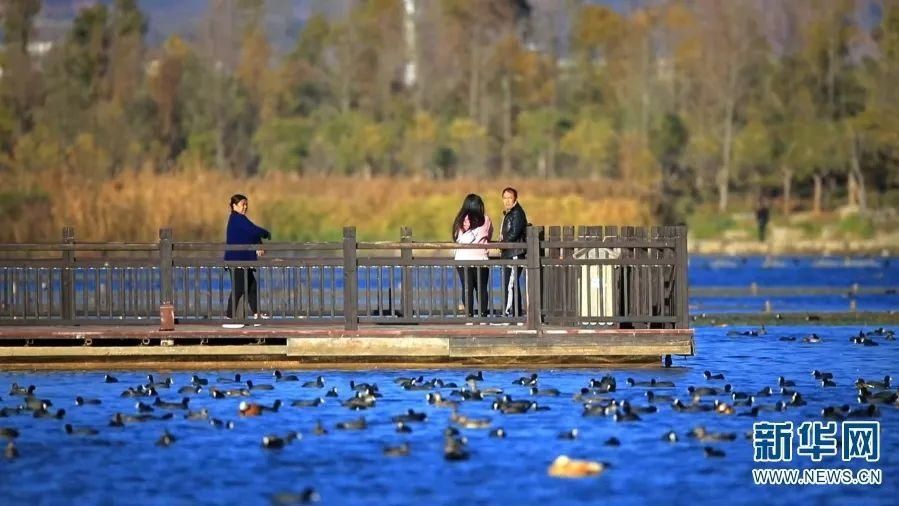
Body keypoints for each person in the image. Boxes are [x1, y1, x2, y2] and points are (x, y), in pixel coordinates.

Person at [224, 194, 271, 322]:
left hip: (244, 260)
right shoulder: (237, 218)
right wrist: (266, 233)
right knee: (238, 288)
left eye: (246, 204)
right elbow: (253, 230)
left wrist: (259, 243)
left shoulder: (241, 219)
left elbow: (250, 234)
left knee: (251, 287)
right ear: (234, 206)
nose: (245, 207)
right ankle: (229, 316)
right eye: (242, 204)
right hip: (237, 260)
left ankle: (257, 314)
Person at [453, 194, 493, 318]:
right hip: (480, 259)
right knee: (481, 289)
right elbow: (489, 235)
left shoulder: (459, 220)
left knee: (467, 289)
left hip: (462, 259)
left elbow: (455, 237)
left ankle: (468, 317)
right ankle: (482, 317)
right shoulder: (485, 219)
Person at [500, 187, 527, 317]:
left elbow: (514, 233)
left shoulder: (517, 213)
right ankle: (515, 312)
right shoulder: (510, 213)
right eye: (505, 198)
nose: (507, 201)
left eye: (510, 198)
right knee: (512, 284)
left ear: (515, 199)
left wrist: (502, 244)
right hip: (509, 252)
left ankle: (508, 312)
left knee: (510, 285)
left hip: (514, 253)